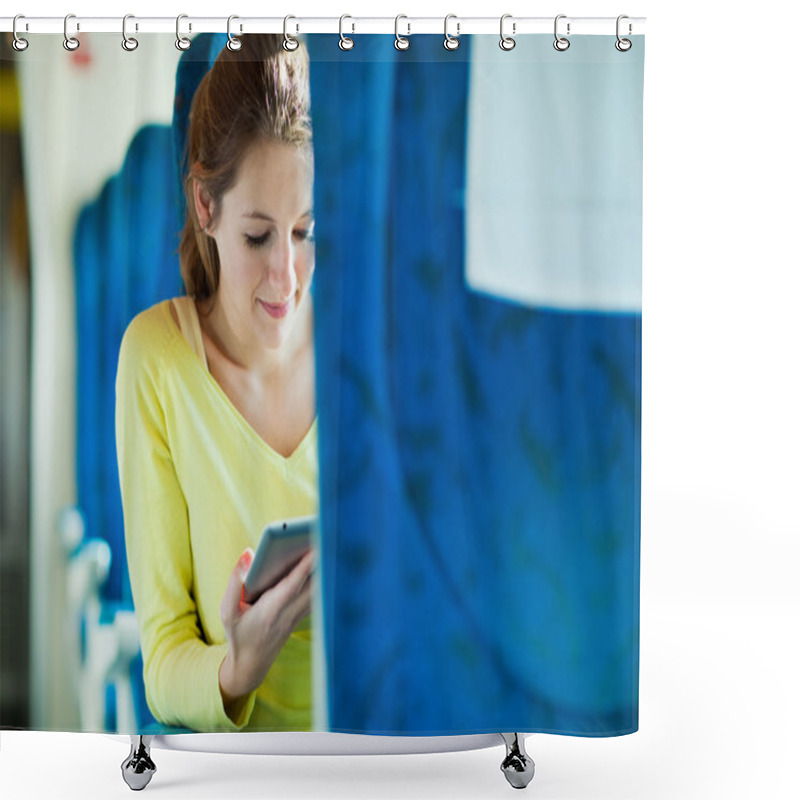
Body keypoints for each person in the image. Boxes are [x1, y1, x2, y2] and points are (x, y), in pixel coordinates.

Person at [115, 34, 317, 732]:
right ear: (206, 208)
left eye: (305, 231)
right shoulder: (157, 362)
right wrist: (238, 667)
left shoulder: (367, 344)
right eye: (259, 237)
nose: (286, 279)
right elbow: (164, 658)